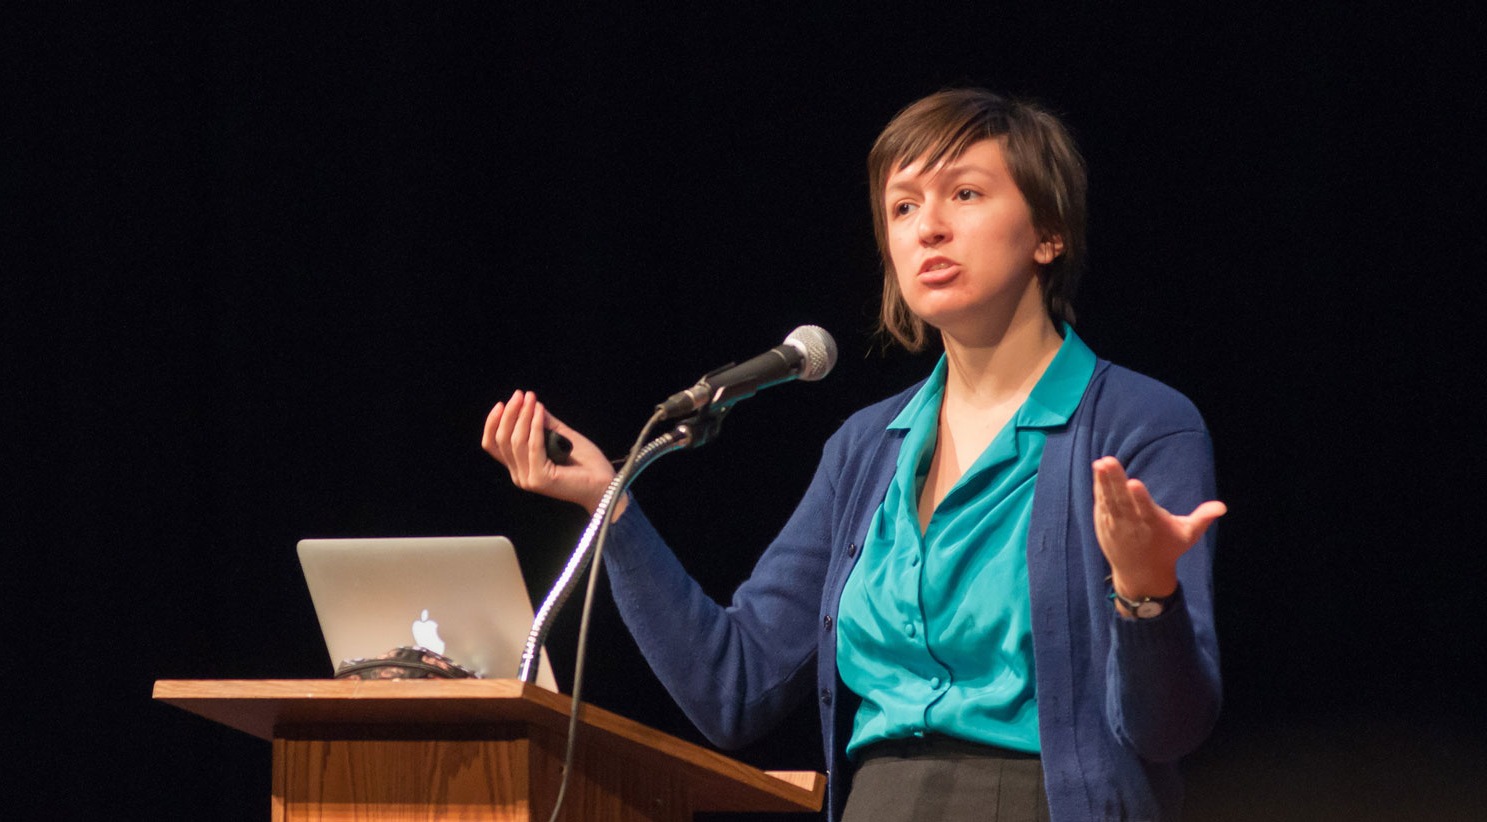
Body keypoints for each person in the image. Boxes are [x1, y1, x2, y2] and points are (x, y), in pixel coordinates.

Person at [482, 88, 1224, 822]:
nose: (927, 227)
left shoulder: (1138, 426)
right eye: (903, 207)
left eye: (964, 193)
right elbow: (732, 686)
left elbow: (1168, 730)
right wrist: (608, 502)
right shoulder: (866, 448)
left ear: (1047, 234)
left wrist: (1145, 590)